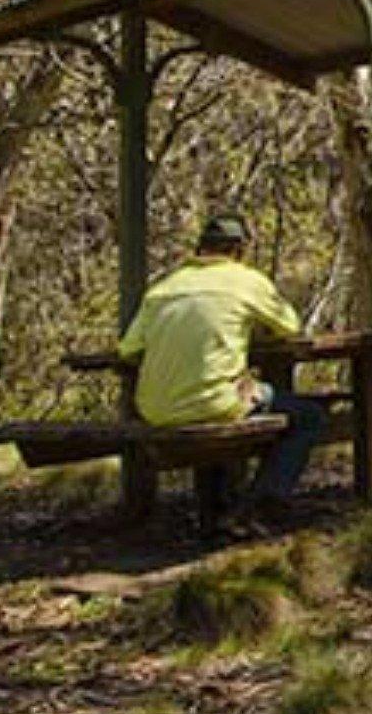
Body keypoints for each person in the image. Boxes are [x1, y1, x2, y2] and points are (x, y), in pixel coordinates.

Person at [118, 212, 327, 528]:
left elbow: (127, 349)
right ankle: (264, 499)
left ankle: (216, 514)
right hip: (217, 402)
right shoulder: (247, 282)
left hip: (154, 409)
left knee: (222, 396)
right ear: (241, 250)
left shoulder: (163, 288)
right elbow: (290, 325)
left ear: (200, 248)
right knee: (310, 416)